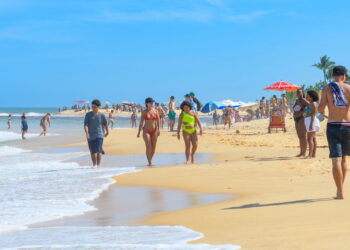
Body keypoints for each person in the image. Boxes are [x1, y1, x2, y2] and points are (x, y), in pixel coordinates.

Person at [318, 66, 350, 199]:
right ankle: (340, 189)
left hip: (333, 125)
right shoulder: (348, 88)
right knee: (344, 159)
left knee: (336, 160)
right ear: (344, 76)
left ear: (333, 76)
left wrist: (324, 113)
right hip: (347, 125)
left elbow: (320, 109)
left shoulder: (326, 88)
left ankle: (340, 192)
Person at [84, 99, 109, 167]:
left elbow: (105, 124)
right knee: (93, 152)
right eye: (92, 107)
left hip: (99, 134)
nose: (93, 108)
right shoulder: (88, 115)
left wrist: (107, 131)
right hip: (90, 136)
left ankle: (98, 166)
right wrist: (87, 133)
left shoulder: (101, 115)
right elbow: (85, 125)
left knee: (99, 150)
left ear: (99, 107)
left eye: (95, 107)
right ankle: (94, 165)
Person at [137, 97, 160, 166]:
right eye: (150, 102)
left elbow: (158, 120)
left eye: (152, 102)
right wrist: (138, 132)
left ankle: (150, 159)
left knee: (154, 147)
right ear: (147, 103)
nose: (152, 103)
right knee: (148, 146)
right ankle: (149, 162)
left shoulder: (155, 111)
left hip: (154, 131)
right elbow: (141, 123)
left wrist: (159, 129)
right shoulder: (144, 112)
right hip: (146, 131)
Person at [304, 90, 320, 159]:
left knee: (309, 138)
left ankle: (310, 154)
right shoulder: (313, 103)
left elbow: (313, 114)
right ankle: (313, 154)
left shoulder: (313, 104)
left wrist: (311, 124)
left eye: (307, 95)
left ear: (311, 97)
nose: (306, 96)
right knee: (313, 138)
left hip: (311, 121)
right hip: (311, 120)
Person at [293, 89, 308, 157]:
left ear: (302, 93)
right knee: (299, 137)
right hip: (296, 119)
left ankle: (304, 153)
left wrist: (304, 112)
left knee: (303, 136)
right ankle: (301, 152)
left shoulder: (303, 100)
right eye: (297, 93)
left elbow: (311, 106)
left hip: (302, 119)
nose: (298, 94)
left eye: (299, 93)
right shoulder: (297, 101)